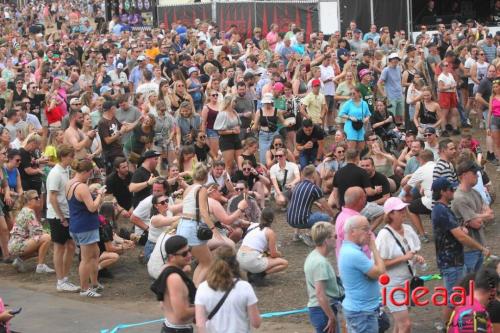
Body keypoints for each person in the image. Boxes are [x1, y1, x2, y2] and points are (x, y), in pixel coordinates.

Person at [431, 177, 491, 324]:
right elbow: (461, 237)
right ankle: (447, 327)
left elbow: (455, 232)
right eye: (451, 189)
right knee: (454, 298)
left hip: (453, 260)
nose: (453, 191)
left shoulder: (443, 209)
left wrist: (461, 228)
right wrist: (481, 248)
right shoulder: (441, 210)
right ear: (443, 192)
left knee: (456, 296)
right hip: (451, 261)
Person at [375, 197, 424, 333]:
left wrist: (416, 257)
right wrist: (404, 258)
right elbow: (381, 264)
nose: (404, 212)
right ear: (390, 214)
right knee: (405, 324)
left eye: (404, 209)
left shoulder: (408, 229)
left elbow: (412, 252)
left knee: (399, 324)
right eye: (400, 210)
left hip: (408, 282)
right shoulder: (384, 235)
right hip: (391, 285)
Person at [195, 245, 261, 333]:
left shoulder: (202, 288)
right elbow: (256, 323)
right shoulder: (245, 287)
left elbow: (200, 325)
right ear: (235, 263)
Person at [176, 163, 222, 286]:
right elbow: (203, 212)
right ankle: (196, 290)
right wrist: (214, 230)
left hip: (182, 226)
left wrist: (205, 193)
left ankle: (195, 288)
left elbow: (192, 203)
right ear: (206, 177)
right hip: (192, 228)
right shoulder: (201, 189)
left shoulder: (188, 189)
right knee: (208, 262)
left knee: (204, 262)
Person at [66, 159, 106, 298]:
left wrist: (91, 192)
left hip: (78, 225)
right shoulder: (81, 187)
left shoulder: (70, 183)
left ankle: (94, 283)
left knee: (96, 253)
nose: (90, 177)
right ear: (87, 172)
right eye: (90, 174)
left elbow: (81, 200)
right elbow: (92, 207)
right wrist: (100, 195)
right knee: (86, 259)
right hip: (85, 226)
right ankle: (84, 288)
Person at [338, 215, 385, 333]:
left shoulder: (349, 250)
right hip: (362, 313)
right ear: (353, 232)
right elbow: (379, 272)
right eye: (365, 229)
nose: (370, 233)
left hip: (361, 310)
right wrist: (374, 248)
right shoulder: (354, 254)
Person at [46, 144, 80, 292]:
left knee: (71, 245)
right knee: (59, 247)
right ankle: (60, 281)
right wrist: (61, 217)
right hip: (57, 216)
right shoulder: (55, 173)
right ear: (64, 157)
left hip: (67, 213)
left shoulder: (66, 171)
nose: (73, 159)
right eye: (71, 156)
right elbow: (52, 197)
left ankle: (65, 278)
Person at [451, 160, 494, 273]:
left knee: (478, 282)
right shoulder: (459, 198)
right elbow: (475, 223)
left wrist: (478, 216)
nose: (477, 175)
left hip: (479, 245)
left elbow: (490, 213)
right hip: (467, 250)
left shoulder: (475, 192)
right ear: (464, 175)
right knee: (469, 283)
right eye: (474, 172)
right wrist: (482, 216)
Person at [150, 235, 197, 333]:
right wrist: (204, 307)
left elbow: (162, 304)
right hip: (178, 329)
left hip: (172, 327)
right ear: (172, 257)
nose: (189, 255)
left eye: (189, 250)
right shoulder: (174, 279)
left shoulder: (166, 270)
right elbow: (182, 314)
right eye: (184, 254)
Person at [304, 222, 343, 333]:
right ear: (326, 240)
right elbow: (320, 294)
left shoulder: (314, 256)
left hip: (321, 310)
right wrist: (331, 316)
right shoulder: (320, 263)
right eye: (334, 236)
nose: (337, 238)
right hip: (323, 311)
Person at [287, 165, 335, 246]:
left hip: (290, 219)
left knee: (300, 210)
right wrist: (334, 216)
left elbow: (300, 200)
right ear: (313, 175)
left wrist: (316, 203)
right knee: (327, 218)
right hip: (301, 221)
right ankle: (308, 235)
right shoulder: (314, 188)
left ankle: (296, 234)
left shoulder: (297, 185)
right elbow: (327, 207)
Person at [237, 207, 288, 284]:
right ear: (272, 219)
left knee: (264, 254)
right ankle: (259, 275)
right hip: (251, 259)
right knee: (284, 263)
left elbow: (245, 223)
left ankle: (252, 271)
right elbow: (273, 254)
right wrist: (279, 254)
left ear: (261, 217)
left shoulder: (253, 225)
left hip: (239, 258)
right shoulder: (270, 232)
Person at [8, 190, 54, 274]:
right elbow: (37, 232)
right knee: (46, 238)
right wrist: (50, 233)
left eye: (39, 197)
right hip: (17, 245)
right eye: (36, 198)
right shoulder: (28, 212)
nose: (39, 199)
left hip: (15, 244)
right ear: (29, 201)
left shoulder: (26, 210)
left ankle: (19, 261)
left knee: (42, 241)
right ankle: (41, 266)